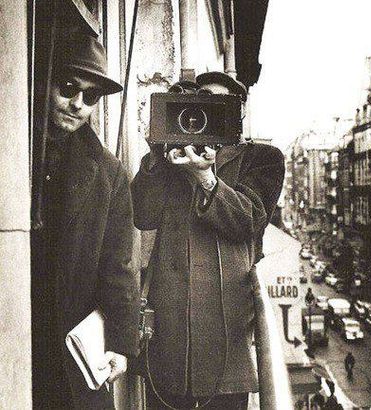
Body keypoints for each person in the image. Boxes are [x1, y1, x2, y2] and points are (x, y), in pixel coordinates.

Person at [131, 72, 285, 409]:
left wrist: (204, 175)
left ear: (238, 114)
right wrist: (157, 153)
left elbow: (249, 220)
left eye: (220, 105)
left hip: (225, 338)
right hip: (170, 338)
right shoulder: (174, 155)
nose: (208, 112)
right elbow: (142, 215)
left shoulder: (262, 157)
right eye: (202, 102)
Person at [31, 31, 140, 409]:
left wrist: (122, 347)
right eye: (67, 87)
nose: (78, 104)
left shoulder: (109, 174)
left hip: (69, 349)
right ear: (40, 82)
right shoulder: (12, 150)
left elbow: (119, 268)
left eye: (90, 96)